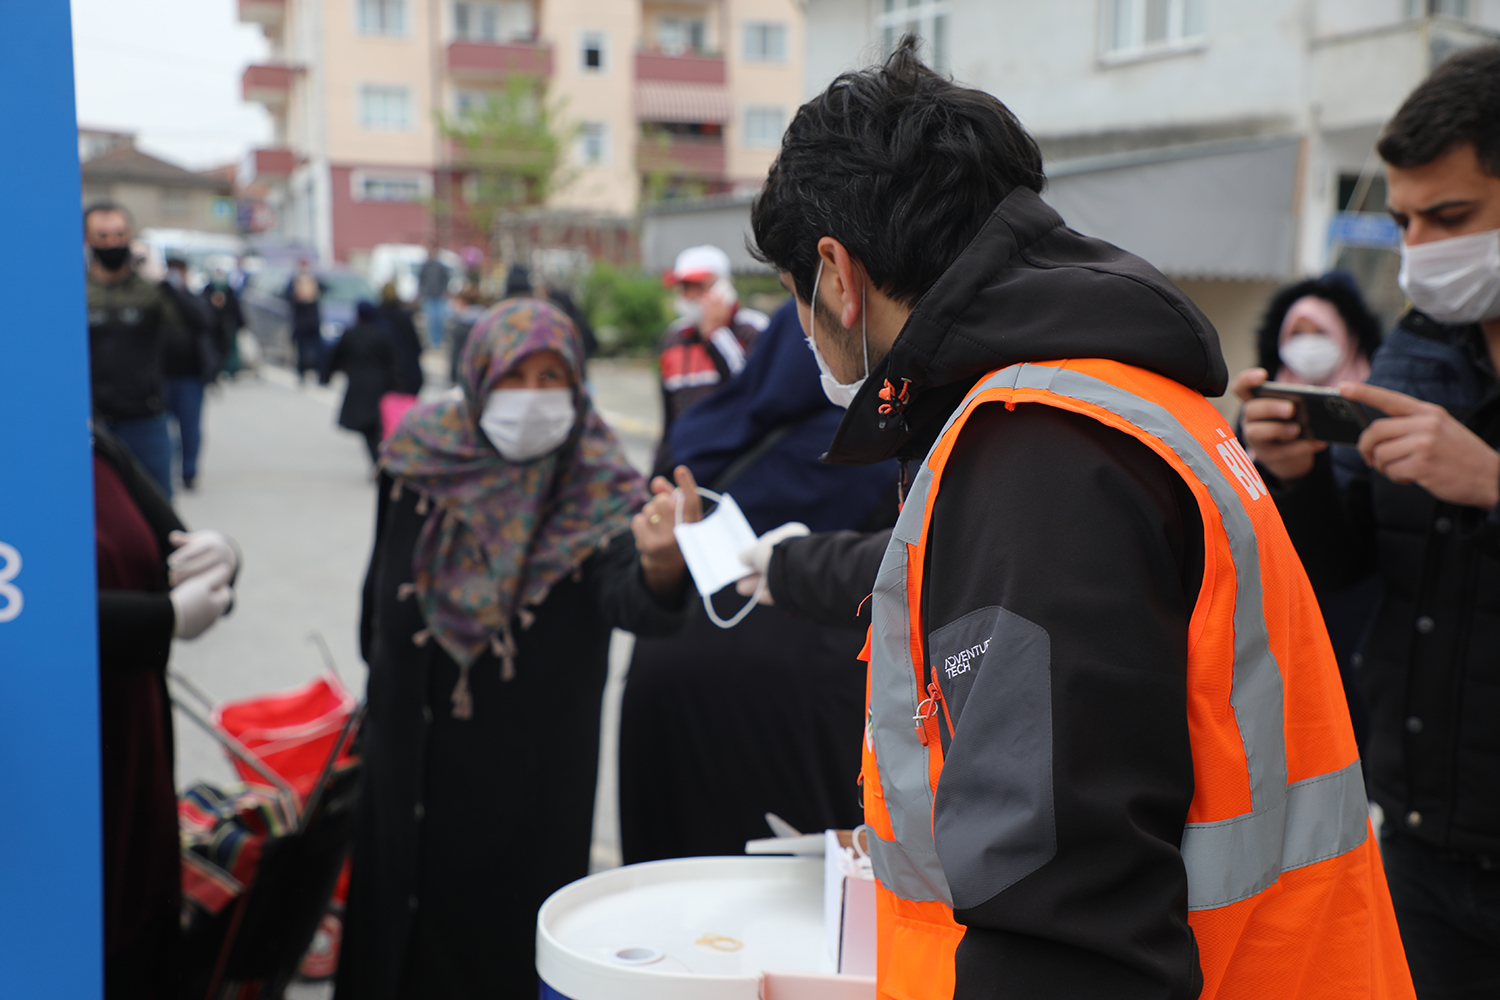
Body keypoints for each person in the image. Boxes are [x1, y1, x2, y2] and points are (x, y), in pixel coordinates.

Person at [738, 39, 1412, 1000]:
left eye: (796, 297)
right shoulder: (1114, 400)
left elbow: (1063, 919)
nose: (805, 327)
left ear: (839, 275)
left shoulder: (1032, 450)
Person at [1234, 45, 1500, 999]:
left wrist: (1493, 484)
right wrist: (1296, 476)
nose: (1422, 245)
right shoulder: (1417, 357)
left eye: (1452, 217)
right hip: (1420, 838)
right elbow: (1346, 564)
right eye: (1403, 220)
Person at [337, 298, 697, 1000]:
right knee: (393, 937)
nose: (534, 398)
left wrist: (661, 564)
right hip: (407, 753)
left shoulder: (595, 484)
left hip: (523, 782)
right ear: (478, 378)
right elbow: (377, 581)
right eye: (515, 377)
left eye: (551, 377)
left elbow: (631, 599)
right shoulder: (419, 456)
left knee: (493, 951)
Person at [618, 297, 899, 862]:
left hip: (666, 693)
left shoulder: (708, 428)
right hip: (804, 710)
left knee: (672, 898)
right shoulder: (885, 447)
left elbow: (642, 568)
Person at [94, 424, 238, 997]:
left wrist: (223, 554)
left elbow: (174, 543)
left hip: (134, 759)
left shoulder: (84, 437)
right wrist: (164, 620)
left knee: (137, 941)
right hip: (43, 783)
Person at [1249, 274, 1385, 759]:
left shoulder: (1386, 412)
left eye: (1320, 333)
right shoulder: (1256, 423)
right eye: (1296, 334)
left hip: (1360, 628)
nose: (1308, 347)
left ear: (1349, 339)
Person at [85, 202, 179, 497]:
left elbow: (196, 326)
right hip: (91, 422)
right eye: (102, 236)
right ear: (87, 240)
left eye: (119, 234)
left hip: (144, 419)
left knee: (158, 507)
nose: (112, 243)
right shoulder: (76, 290)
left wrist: (162, 280)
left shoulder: (148, 290)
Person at [653, 244, 768, 475]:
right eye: (684, 286)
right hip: (685, 465)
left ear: (724, 287)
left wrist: (715, 335)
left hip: (737, 465)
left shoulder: (754, 328)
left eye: (698, 286)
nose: (689, 296)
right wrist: (658, 472)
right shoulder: (673, 337)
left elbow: (750, 389)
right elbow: (669, 416)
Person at [159, 258, 216, 491]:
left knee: (190, 428)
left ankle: (188, 471)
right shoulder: (157, 301)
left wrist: (175, 292)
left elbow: (204, 321)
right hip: (161, 377)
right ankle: (165, 469)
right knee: (161, 428)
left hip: (191, 376)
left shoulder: (193, 299)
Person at [321, 301, 397, 465]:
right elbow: (393, 361)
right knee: (375, 426)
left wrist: (326, 376)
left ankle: (379, 462)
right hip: (380, 386)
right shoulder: (382, 334)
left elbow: (336, 357)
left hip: (359, 387)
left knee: (370, 427)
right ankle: (380, 461)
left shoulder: (352, 333)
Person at [285, 259, 326, 381]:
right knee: (302, 349)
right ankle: (302, 372)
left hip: (312, 320)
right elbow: (287, 295)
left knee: (317, 349)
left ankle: (318, 372)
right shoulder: (294, 281)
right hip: (301, 320)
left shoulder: (314, 279)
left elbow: (326, 288)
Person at [205, 265, 246, 378]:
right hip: (213, 324)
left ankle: (231, 369)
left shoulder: (228, 289)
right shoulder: (209, 289)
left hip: (228, 324)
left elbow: (235, 308)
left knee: (230, 348)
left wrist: (240, 323)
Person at [417, 240, 450, 350]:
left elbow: (445, 279)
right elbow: (421, 280)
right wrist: (421, 293)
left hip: (439, 296)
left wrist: (445, 291)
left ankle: (438, 341)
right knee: (430, 321)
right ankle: (432, 342)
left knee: (439, 320)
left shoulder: (440, 266)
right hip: (429, 296)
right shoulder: (425, 265)